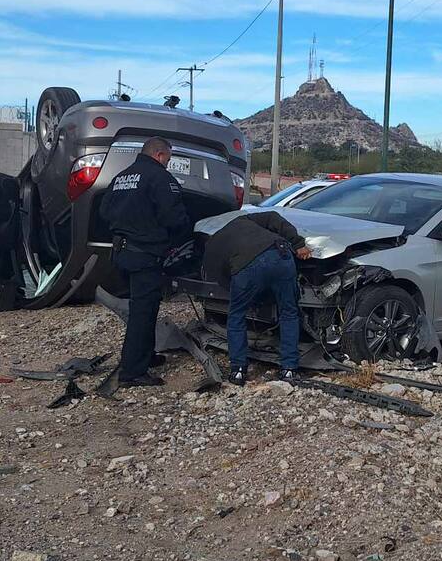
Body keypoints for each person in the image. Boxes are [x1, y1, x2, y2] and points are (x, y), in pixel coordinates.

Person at [98, 136, 191, 387]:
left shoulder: (121, 178)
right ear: (159, 155)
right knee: (143, 312)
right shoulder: (160, 178)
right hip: (145, 256)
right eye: (168, 160)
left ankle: (146, 356)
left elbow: (104, 211)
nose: (168, 164)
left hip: (121, 254)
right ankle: (132, 372)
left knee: (143, 308)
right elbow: (175, 218)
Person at [202, 210, 311, 385]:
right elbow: (273, 217)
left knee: (236, 315)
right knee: (289, 313)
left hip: (247, 269)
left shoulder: (210, 252)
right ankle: (289, 369)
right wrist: (298, 243)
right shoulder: (243, 220)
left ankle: (238, 371)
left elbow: (225, 281)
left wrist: (253, 295)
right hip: (281, 254)